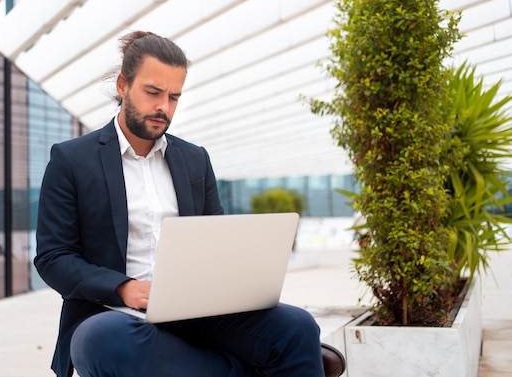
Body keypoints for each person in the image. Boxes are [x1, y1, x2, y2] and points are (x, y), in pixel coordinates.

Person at [35, 31, 326, 377]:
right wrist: (124, 288)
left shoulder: (194, 160)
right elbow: (54, 257)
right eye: (153, 93)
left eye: (174, 97)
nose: (164, 107)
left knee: (298, 326)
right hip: (115, 313)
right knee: (100, 340)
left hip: (199, 312)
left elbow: (215, 240)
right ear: (123, 85)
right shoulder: (71, 160)